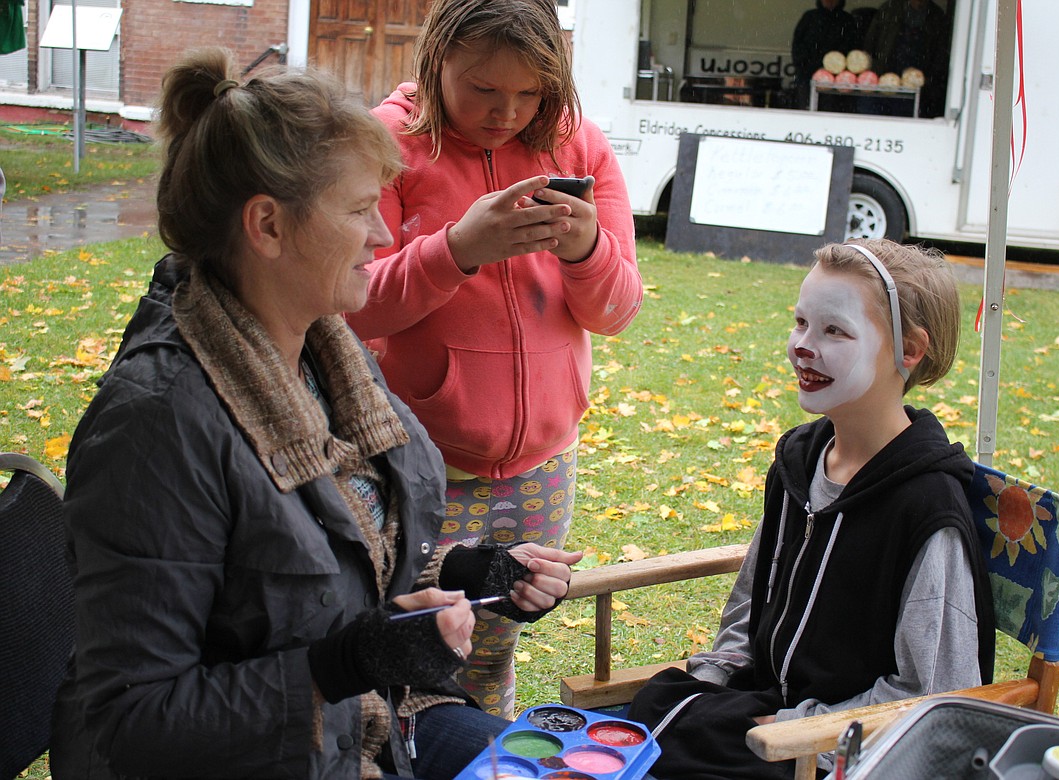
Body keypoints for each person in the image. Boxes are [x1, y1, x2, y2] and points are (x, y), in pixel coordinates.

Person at [49, 47, 580, 780]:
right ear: (267, 225)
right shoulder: (156, 428)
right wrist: (344, 663)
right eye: (360, 209)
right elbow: (132, 725)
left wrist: (474, 571)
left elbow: (333, 555)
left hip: (360, 732)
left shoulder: (325, 356)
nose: (384, 235)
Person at [345, 0, 642, 718]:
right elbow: (350, 305)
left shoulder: (580, 147)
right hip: (416, 465)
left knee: (492, 650)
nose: (506, 111)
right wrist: (457, 250)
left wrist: (585, 249)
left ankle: (478, 754)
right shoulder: (384, 143)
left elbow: (617, 309)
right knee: (403, 647)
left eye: (529, 91)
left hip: (541, 464)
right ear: (436, 57)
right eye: (483, 88)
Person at [627, 240, 995, 779]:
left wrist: (795, 729)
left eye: (834, 331)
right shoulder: (801, 460)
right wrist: (718, 684)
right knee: (658, 710)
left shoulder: (925, 509)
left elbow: (933, 695)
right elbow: (750, 602)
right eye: (800, 322)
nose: (802, 345)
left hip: (843, 750)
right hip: (766, 706)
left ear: (909, 350)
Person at [863, 0, 951, 117]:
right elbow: (870, 44)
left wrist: (929, 82)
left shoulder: (937, 16)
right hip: (885, 79)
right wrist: (873, 71)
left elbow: (941, 56)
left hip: (918, 86)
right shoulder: (889, 9)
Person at [790, 0, 862, 109]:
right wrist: (805, 66)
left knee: (831, 112)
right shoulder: (809, 17)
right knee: (806, 110)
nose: (830, 1)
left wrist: (837, 70)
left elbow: (853, 50)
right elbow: (797, 46)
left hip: (837, 80)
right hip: (807, 77)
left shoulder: (847, 20)